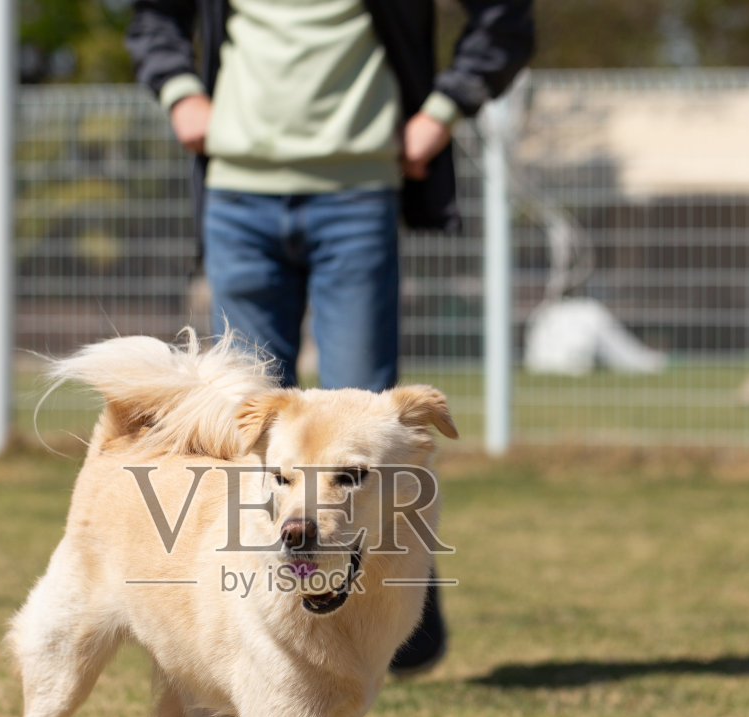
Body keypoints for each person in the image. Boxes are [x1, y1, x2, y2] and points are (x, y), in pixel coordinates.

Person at [127, 0, 533, 674]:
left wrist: (441, 112)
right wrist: (180, 93)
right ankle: (259, 635)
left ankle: (392, 631)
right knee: (247, 431)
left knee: (370, 433)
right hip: (236, 195)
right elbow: (151, 18)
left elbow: (505, 19)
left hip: (357, 195)